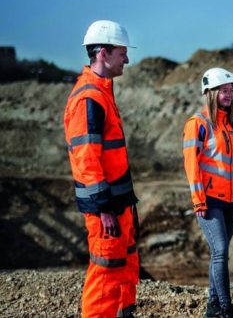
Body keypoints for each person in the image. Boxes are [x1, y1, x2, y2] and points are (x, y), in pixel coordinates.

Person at [63, 20, 139, 317]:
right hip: (107, 211)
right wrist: (103, 208)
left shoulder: (102, 92)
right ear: (103, 54)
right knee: (106, 273)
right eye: (123, 53)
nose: (127, 59)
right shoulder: (88, 98)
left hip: (119, 205)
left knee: (125, 266)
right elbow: (86, 160)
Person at [183, 67, 233, 318]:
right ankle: (225, 307)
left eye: (231, 90)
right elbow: (191, 166)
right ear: (210, 93)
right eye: (223, 90)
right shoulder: (198, 124)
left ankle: (213, 307)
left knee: (219, 252)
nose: (229, 94)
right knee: (221, 250)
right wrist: (198, 200)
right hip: (210, 201)